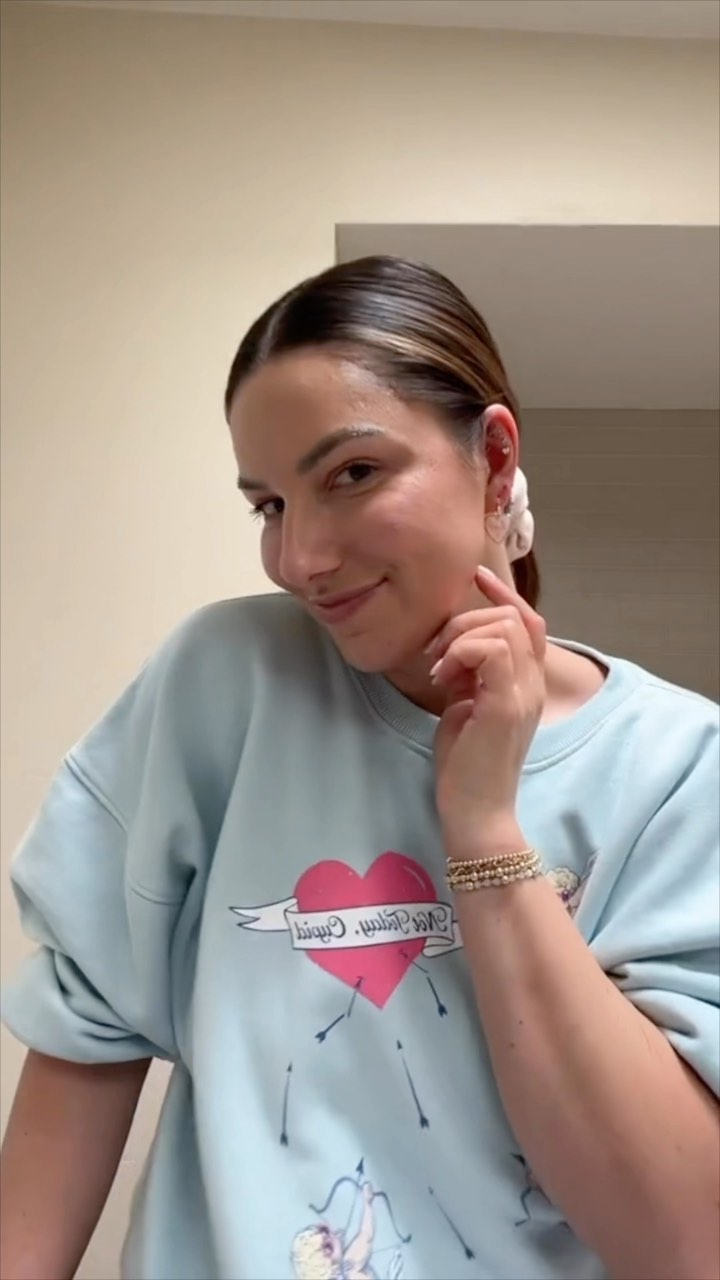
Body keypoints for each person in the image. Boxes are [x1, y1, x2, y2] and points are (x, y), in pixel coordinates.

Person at [0, 255, 718, 1280]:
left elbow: (681, 1238)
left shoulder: (681, 768)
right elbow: (86, 1039)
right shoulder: (225, 685)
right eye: (269, 506)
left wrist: (484, 827)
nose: (301, 558)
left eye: (353, 474)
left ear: (495, 457)